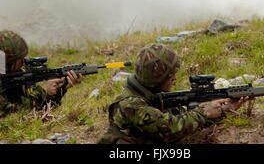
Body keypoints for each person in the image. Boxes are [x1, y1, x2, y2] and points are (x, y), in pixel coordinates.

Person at [98, 44, 250, 144]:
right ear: (157, 79)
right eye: (170, 75)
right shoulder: (131, 104)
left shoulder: (153, 95)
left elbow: (184, 119)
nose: (174, 78)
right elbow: (169, 129)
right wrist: (204, 112)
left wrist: (221, 110)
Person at [0, 30, 82, 118]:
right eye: (20, 59)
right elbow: (12, 113)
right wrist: (42, 92)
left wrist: (60, 89)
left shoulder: (15, 73)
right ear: (8, 62)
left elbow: (40, 109)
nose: (24, 61)